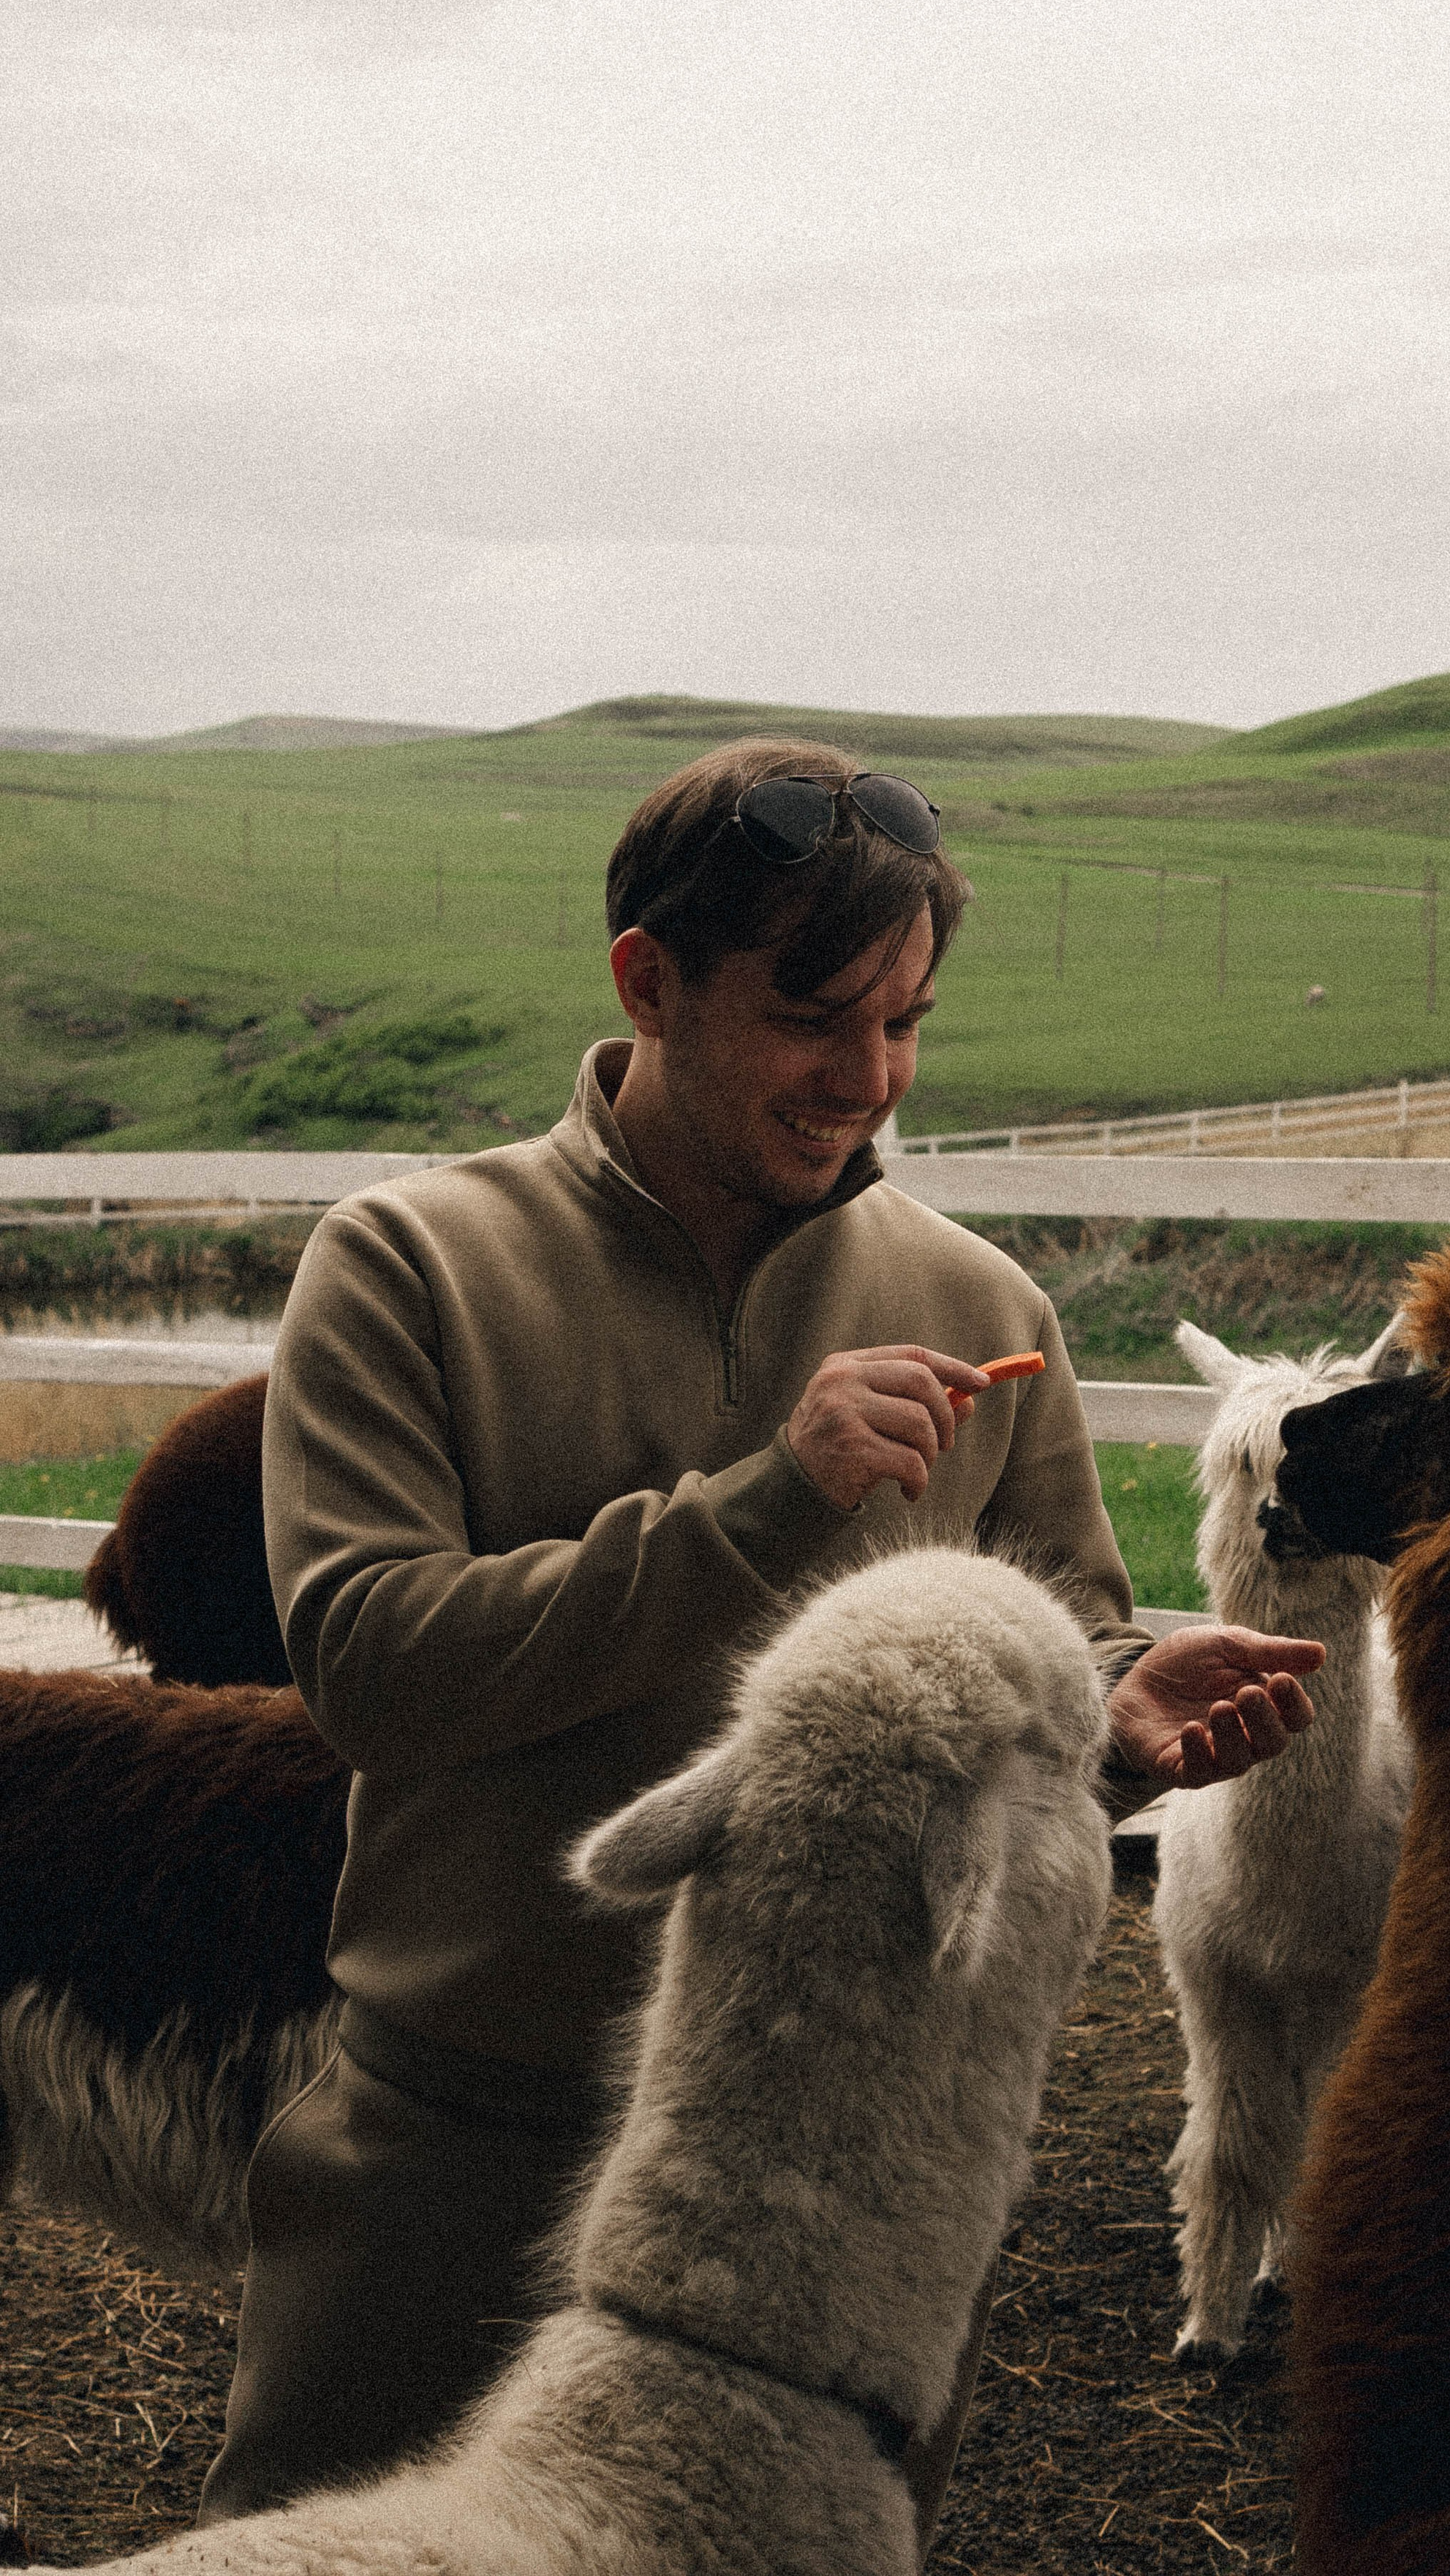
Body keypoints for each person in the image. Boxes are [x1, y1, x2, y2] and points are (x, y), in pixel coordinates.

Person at [200, 738, 1323, 2551]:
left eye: (905, 1025)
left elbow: (1077, 1650)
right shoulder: (406, 1265)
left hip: (838, 2206)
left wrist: (1119, 1718)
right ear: (648, 980)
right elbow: (372, 1667)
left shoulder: (981, 1306)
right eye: (817, 1017)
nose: (866, 1083)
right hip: (458, 2151)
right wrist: (762, 1504)